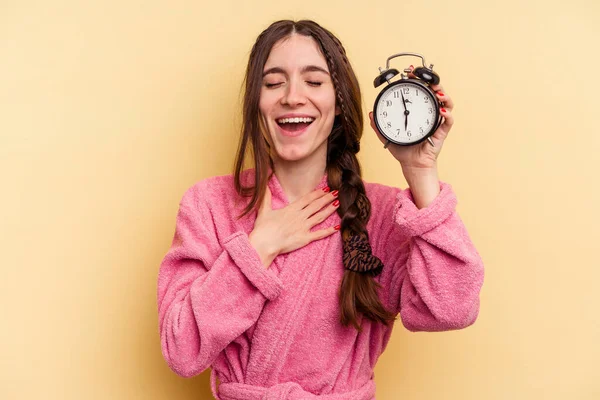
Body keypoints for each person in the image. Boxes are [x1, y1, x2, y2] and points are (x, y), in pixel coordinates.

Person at [157, 19, 484, 400]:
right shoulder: (208, 205)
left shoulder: (382, 214)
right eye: (274, 82)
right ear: (255, 102)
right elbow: (180, 350)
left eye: (313, 82)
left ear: (340, 101)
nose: (292, 97)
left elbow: (451, 309)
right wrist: (259, 248)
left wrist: (420, 170)